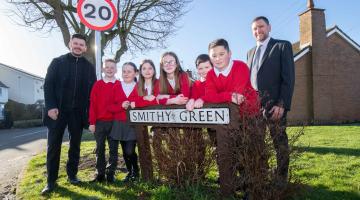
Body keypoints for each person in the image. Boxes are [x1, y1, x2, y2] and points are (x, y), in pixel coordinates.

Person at [42, 33, 96, 194]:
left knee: (75, 146)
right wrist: (51, 106)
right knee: (53, 146)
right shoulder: (57, 62)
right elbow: (48, 85)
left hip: (77, 113)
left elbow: (93, 91)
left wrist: (89, 113)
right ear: (70, 44)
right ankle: (51, 181)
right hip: (57, 111)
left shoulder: (88, 66)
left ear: (85, 48)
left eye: (81, 44)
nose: (78, 46)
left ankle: (72, 175)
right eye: (76, 43)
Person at [247, 16, 295, 189]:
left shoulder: (282, 46)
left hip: (274, 106)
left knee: (279, 143)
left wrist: (282, 104)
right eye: (254, 29)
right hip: (253, 108)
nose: (257, 31)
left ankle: (281, 179)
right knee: (257, 144)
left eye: (261, 27)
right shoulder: (250, 52)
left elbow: (288, 79)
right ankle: (262, 175)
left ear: (269, 27)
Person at [203, 38, 259, 116]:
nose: (218, 59)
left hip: (248, 114)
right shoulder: (210, 74)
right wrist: (228, 96)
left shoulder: (240, 66)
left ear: (229, 53)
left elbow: (237, 97)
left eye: (221, 54)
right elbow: (209, 96)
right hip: (224, 115)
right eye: (214, 56)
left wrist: (218, 97)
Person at [108, 62, 141, 182]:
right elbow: (109, 106)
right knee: (125, 151)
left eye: (129, 71)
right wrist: (120, 106)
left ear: (135, 73)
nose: (126, 74)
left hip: (133, 124)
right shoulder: (116, 86)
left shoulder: (139, 86)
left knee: (130, 150)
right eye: (124, 71)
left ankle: (136, 171)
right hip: (119, 123)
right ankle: (130, 172)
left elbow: (143, 103)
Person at [88, 59, 119, 183]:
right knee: (100, 148)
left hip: (114, 122)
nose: (110, 69)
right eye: (107, 67)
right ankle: (100, 173)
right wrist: (92, 122)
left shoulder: (119, 84)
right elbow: (93, 105)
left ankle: (110, 173)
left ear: (116, 70)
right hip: (100, 122)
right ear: (103, 69)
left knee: (113, 149)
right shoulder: (97, 85)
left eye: (112, 67)